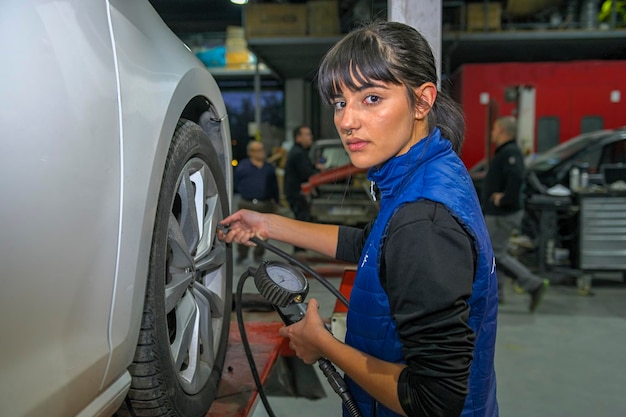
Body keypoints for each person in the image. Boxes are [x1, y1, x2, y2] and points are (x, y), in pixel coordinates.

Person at [219, 21, 498, 417]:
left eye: (371, 98)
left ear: (422, 101)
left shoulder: (423, 222)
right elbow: (373, 244)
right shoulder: (432, 173)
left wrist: (324, 345)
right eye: (339, 102)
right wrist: (268, 224)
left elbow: (435, 403)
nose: (347, 121)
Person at [482, 116, 549, 312]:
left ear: (502, 131)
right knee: (496, 251)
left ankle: (532, 283)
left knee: (495, 253)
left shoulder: (510, 153)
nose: (492, 133)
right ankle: (497, 292)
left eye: (494, 129)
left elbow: (516, 178)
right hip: (499, 212)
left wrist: (503, 199)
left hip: (502, 213)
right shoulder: (504, 152)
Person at [233, 140, 279, 263]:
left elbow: (274, 186)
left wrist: (276, 201)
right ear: (251, 153)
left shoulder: (268, 167)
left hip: (265, 204)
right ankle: (242, 254)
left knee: (263, 232)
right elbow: (236, 183)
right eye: (258, 150)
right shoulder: (243, 166)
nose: (261, 153)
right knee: (243, 230)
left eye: (262, 149)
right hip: (247, 203)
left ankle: (258, 254)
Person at [283, 125, 325, 253]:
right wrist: (319, 170)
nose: (310, 137)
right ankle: (299, 253)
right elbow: (307, 173)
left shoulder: (299, 152)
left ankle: (300, 252)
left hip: (296, 193)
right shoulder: (298, 153)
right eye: (307, 134)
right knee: (301, 223)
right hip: (297, 194)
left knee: (301, 222)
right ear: (298, 137)